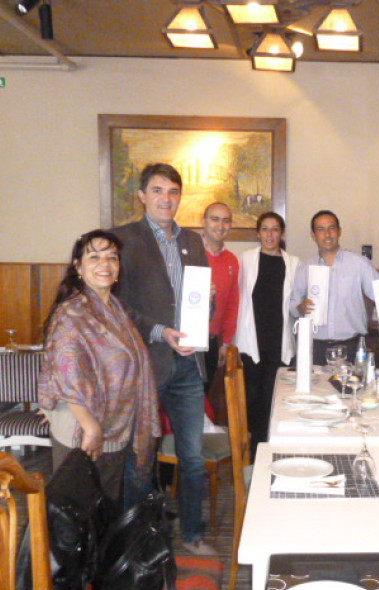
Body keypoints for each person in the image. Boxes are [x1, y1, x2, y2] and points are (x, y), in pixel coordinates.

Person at [111, 163, 216, 556]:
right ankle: (138, 542)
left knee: (191, 456)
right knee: (141, 458)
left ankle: (191, 534)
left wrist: (205, 310)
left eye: (173, 191)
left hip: (187, 364)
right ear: (142, 196)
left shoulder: (192, 241)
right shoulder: (123, 240)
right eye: (157, 191)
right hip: (144, 366)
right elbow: (119, 306)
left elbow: (199, 299)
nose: (166, 199)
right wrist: (161, 331)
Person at [38, 230, 161, 505]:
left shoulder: (115, 308)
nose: (105, 264)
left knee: (103, 510)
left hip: (115, 426)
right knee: (77, 515)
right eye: (94, 257)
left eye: (112, 258)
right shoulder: (73, 313)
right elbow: (67, 372)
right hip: (84, 429)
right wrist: (89, 425)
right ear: (78, 267)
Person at [233, 212, 300, 454]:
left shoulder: (293, 263)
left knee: (274, 398)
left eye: (275, 229)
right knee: (251, 400)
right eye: (265, 229)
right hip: (251, 340)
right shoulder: (245, 260)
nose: (270, 234)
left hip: (279, 340)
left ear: (281, 233)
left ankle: (272, 449)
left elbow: (296, 302)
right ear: (258, 233)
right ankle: (253, 452)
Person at [289, 210, 379, 365]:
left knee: (352, 388)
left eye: (332, 228)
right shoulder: (305, 268)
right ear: (313, 235)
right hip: (315, 347)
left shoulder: (359, 264)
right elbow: (292, 306)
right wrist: (300, 307)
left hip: (352, 347)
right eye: (321, 229)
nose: (327, 234)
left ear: (339, 231)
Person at [201, 202, 239, 385]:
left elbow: (232, 303)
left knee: (207, 400)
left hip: (213, 342)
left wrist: (225, 343)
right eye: (214, 219)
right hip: (186, 343)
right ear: (204, 221)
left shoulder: (232, 260)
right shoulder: (190, 253)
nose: (220, 226)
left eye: (226, 221)